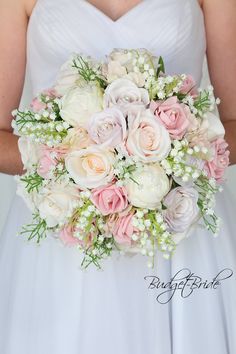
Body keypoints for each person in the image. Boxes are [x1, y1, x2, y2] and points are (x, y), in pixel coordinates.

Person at [0, 0, 235, 353]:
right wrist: (72, 166)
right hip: (60, 236)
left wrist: (169, 156)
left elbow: (233, 123)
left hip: (182, 227)